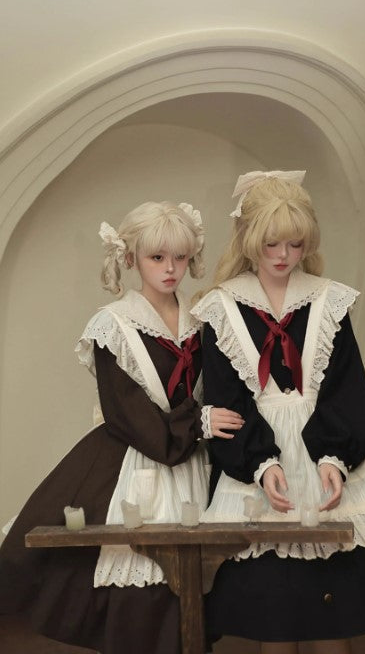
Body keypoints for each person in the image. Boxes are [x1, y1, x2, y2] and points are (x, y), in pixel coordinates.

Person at [191, 171, 365, 654]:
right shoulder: (219, 309)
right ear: (249, 239)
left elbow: (346, 388)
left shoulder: (329, 299)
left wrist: (333, 457)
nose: (283, 255)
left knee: (333, 609)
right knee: (277, 616)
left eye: (295, 244)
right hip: (257, 468)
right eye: (272, 243)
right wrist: (261, 463)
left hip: (327, 457)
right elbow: (227, 402)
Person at [0, 200, 244, 654]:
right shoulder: (111, 327)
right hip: (136, 459)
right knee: (140, 592)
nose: (170, 269)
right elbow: (127, 413)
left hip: (196, 466)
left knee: (195, 595)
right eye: (157, 257)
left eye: (180, 257)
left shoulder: (204, 320)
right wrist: (199, 421)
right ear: (131, 258)